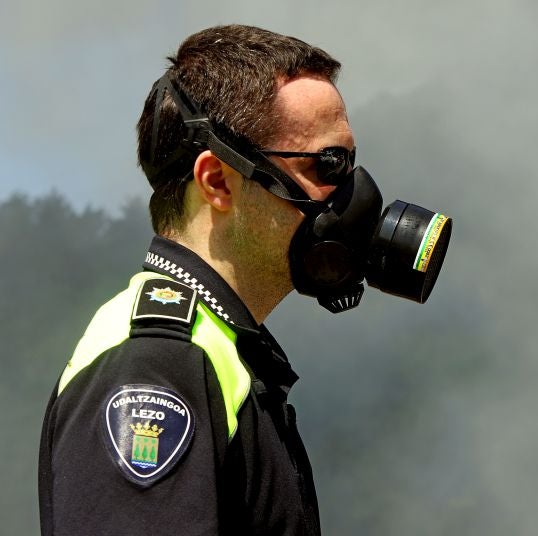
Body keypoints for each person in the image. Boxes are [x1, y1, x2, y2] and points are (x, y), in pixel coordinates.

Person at [38, 24, 356, 535]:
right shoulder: (156, 366)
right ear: (217, 181)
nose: (349, 194)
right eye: (329, 164)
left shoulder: (221, 353)